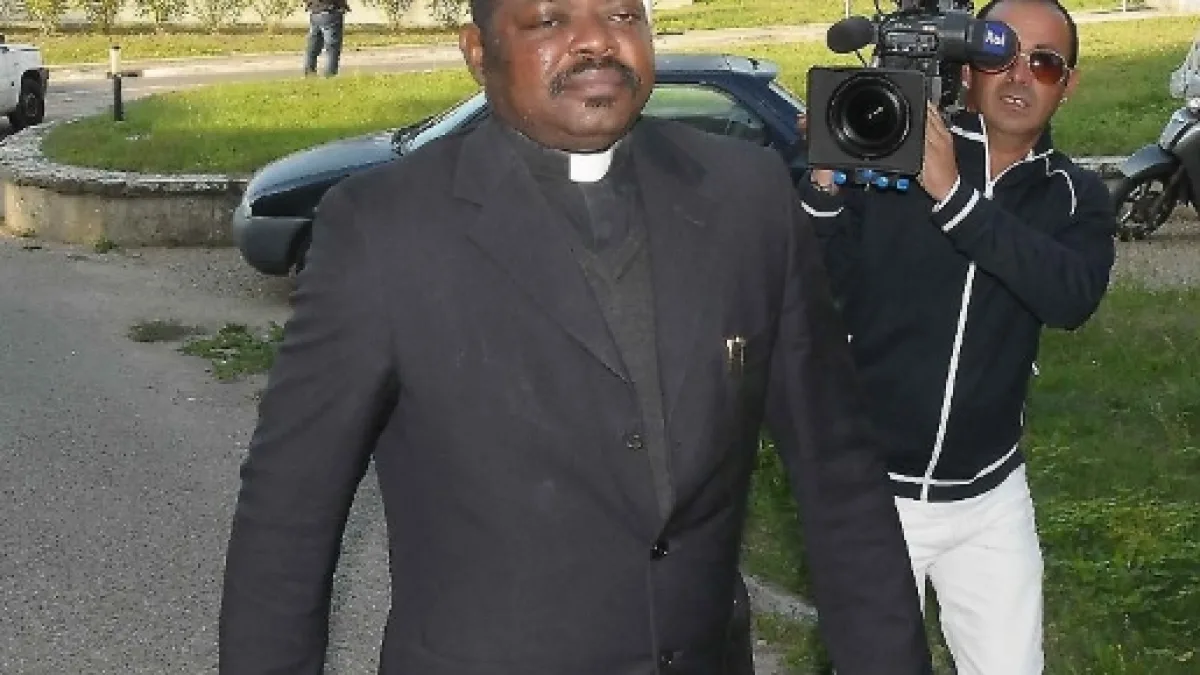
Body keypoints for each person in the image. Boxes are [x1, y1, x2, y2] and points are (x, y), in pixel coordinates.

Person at [218, 0, 935, 671]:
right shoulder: (383, 229)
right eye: (551, 20)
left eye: (622, 13)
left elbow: (840, 474)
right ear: (479, 53)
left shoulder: (745, 196)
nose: (597, 40)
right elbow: (289, 512)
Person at [796, 1, 1116, 673]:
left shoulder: (1074, 195)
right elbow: (810, 286)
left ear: (1068, 85)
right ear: (967, 69)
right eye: (1000, 53)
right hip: (875, 493)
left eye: (1045, 63)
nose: (1020, 75)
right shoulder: (896, 151)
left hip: (991, 499)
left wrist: (954, 198)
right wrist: (824, 183)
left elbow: (1070, 297)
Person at [303, 0, 349, 77]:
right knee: (332, 49)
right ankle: (330, 75)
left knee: (313, 47)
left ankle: (309, 73)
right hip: (330, 11)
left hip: (315, 13)